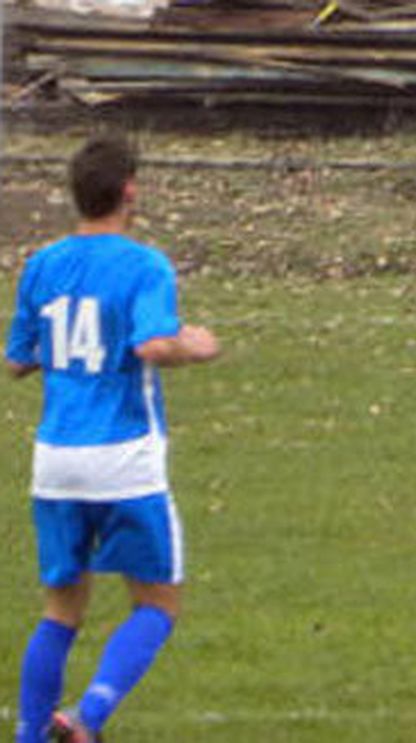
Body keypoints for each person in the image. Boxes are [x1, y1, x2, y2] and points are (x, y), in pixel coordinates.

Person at [6, 134, 222, 743]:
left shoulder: (42, 265)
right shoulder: (145, 265)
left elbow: (17, 359)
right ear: (130, 190)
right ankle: (87, 718)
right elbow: (151, 345)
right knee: (157, 603)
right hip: (124, 457)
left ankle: (29, 735)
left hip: (55, 460)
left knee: (61, 610)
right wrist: (195, 346)